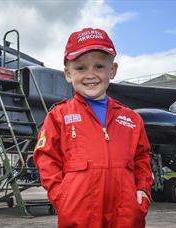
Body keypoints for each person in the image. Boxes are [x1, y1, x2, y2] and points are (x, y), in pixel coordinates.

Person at [33, 28, 153, 227]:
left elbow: (142, 158)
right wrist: (63, 197)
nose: (90, 75)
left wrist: (143, 191)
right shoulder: (58, 116)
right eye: (80, 68)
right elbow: (46, 158)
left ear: (112, 70)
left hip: (126, 215)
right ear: (68, 74)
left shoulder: (132, 119)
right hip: (79, 215)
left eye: (99, 66)